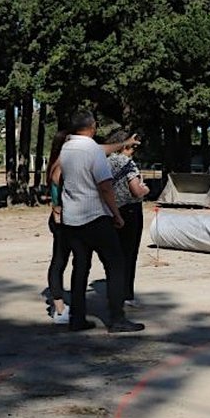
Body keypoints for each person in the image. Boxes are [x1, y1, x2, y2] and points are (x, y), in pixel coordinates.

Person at [59, 110, 145, 332]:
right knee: (116, 265)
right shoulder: (92, 151)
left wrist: (124, 142)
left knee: (80, 267)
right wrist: (116, 214)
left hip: (72, 218)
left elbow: (103, 149)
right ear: (92, 127)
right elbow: (105, 187)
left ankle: (76, 318)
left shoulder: (67, 148)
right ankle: (116, 318)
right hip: (95, 216)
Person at [106, 130, 150, 308]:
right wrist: (145, 189)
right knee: (129, 254)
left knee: (113, 255)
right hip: (130, 211)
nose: (134, 151)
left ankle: (112, 292)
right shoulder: (127, 163)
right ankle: (126, 294)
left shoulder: (105, 162)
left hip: (110, 210)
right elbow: (135, 190)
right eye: (133, 147)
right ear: (126, 146)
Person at [45, 130, 72, 324]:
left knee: (64, 260)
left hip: (68, 217)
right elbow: (56, 194)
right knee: (59, 261)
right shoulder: (60, 165)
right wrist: (57, 213)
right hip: (62, 219)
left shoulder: (63, 162)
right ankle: (59, 307)